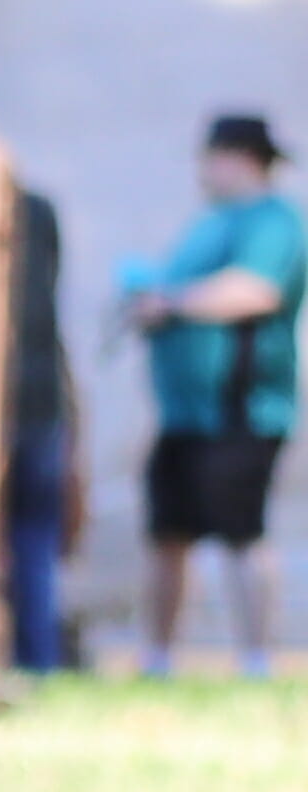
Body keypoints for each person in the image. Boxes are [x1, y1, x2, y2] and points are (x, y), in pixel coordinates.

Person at [125, 109, 298, 675]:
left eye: (210, 157)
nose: (202, 170)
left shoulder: (273, 222)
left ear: (239, 158)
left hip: (240, 408)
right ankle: (158, 658)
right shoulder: (209, 223)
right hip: (184, 413)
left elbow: (255, 290)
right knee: (167, 533)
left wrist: (170, 303)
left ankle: (256, 660)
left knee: (241, 533)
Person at [2, 179, 82, 676]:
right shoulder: (39, 211)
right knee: (33, 546)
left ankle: (31, 661)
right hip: (43, 403)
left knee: (28, 541)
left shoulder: (25, 212)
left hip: (22, 406)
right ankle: (37, 664)